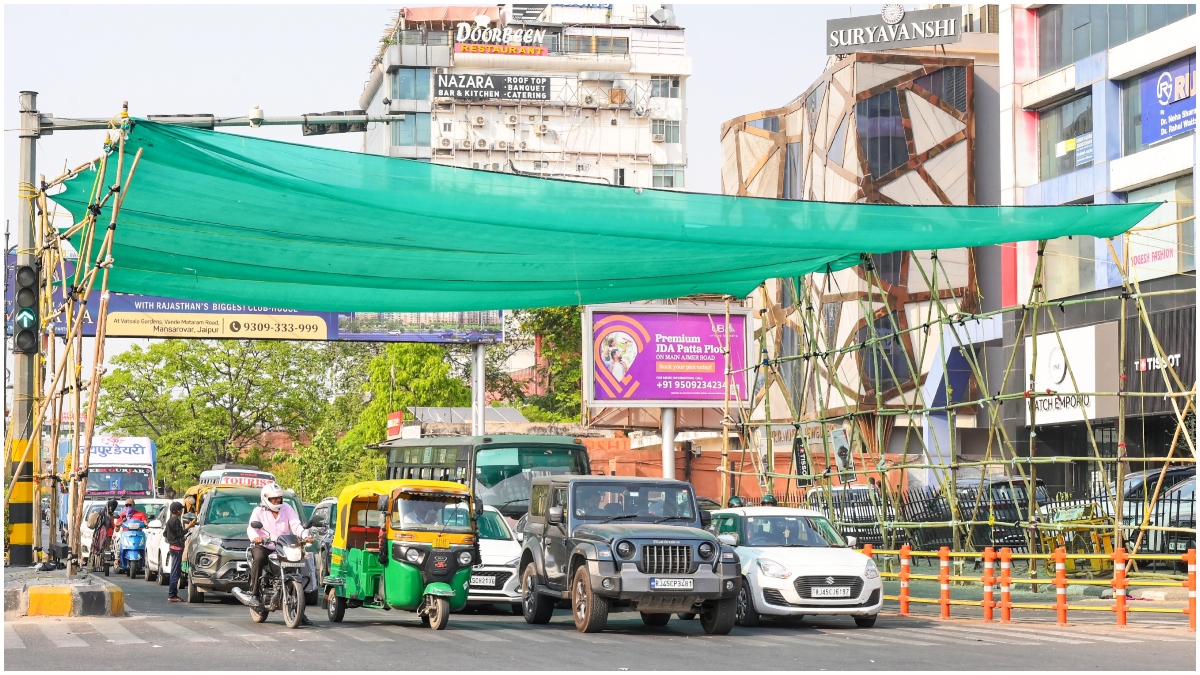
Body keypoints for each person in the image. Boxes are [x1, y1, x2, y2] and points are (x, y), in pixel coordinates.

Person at [239, 483, 312, 622]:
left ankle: (299, 611)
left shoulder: (287, 508)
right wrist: (256, 538)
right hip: (264, 545)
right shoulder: (258, 511)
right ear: (266, 498)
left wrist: (305, 535)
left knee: (299, 565)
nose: (277, 501)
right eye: (274, 499)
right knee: (259, 557)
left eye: (279, 498)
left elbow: (296, 525)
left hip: (283, 546)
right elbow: (251, 527)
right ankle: (254, 594)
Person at [163, 501, 193, 602]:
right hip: (177, 549)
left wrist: (171, 539)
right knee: (175, 573)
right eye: (181, 509)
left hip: (172, 548)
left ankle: (173, 594)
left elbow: (165, 534)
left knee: (175, 571)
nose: (182, 511)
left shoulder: (169, 521)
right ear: (178, 511)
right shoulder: (176, 521)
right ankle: (172, 595)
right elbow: (180, 534)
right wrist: (189, 527)